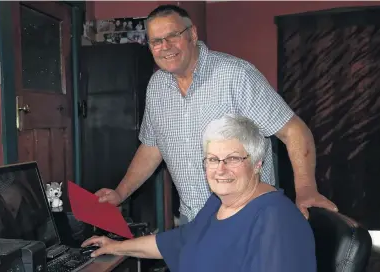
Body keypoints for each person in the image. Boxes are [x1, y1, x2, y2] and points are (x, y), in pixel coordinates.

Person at [95, 4, 338, 223]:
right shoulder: (157, 87)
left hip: (248, 219)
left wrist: (306, 189)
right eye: (156, 41)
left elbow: (294, 130)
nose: (165, 47)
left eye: (173, 36)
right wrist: (120, 193)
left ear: (192, 34)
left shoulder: (236, 75)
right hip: (194, 221)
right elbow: (152, 148)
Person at [84, 115, 317, 272]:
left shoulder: (276, 221)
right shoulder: (218, 203)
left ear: (257, 163)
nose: (221, 169)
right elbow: (176, 241)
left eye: (233, 159)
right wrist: (115, 246)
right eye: (213, 159)